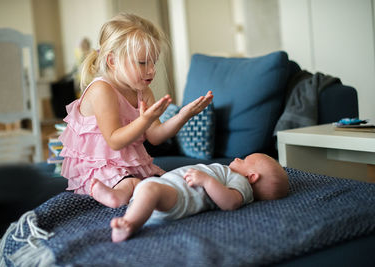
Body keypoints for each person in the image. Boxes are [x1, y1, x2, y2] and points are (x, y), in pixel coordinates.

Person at [58, 13, 213, 208]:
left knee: (171, 182)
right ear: (112, 61)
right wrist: (144, 120)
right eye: (142, 63)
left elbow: (155, 136)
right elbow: (114, 140)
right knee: (133, 185)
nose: (151, 70)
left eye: (153, 62)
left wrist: (183, 116)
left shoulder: (143, 91)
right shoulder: (102, 90)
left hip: (128, 164)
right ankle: (110, 195)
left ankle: (127, 186)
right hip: (98, 168)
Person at [110, 153, 289, 242]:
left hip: (178, 197)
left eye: (244, 160)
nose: (237, 158)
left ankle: (129, 224)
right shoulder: (233, 174)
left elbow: (231, 203)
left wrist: (207, 181)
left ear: (252, 177)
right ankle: (117, 197)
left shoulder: (241, 182)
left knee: (149, 190)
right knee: (138, 185)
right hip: (166, 186)